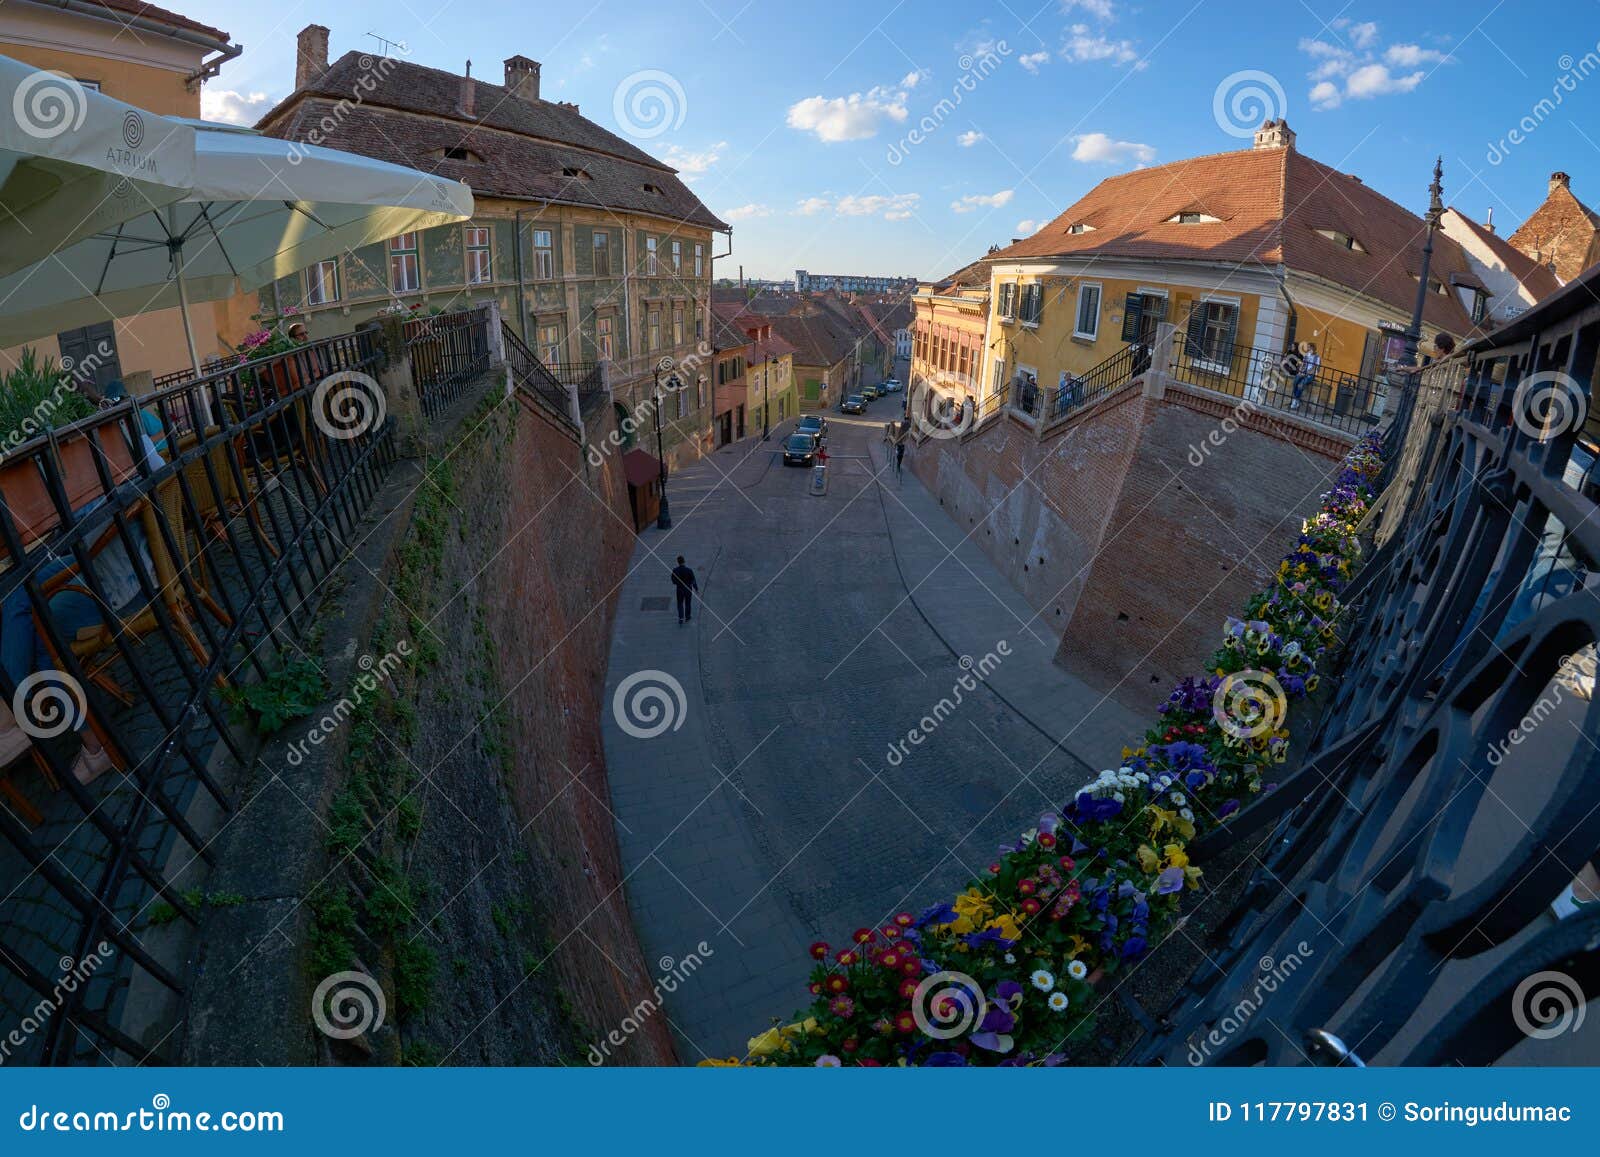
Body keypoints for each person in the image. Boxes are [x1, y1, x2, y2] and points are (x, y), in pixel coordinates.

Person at [1290, 342, 1319, 409]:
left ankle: (1295, 400)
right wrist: (1300, 371)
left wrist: (1310, 373)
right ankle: (1297, 399)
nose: (1307, 348)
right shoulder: (1306, 355)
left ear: (1313, 348)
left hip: (1310, 374)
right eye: (1308, 347)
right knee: (1296, 381)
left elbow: (1317, 368)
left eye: (1309, 347)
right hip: (1303, 372)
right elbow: (1303, 364)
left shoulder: (1317, 357)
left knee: (1301, 384)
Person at [671, 555, 697, 625]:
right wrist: (696, 588)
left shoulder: (675, 570)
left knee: (680, 603)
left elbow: (673, 581)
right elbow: (693, 580)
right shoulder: (689, 570)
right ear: (684, 561)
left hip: (679, 589)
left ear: (678, 562)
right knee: (688, 603)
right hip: (688, 589)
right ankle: (687, 616)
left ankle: (681, 618)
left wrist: (678, 583)